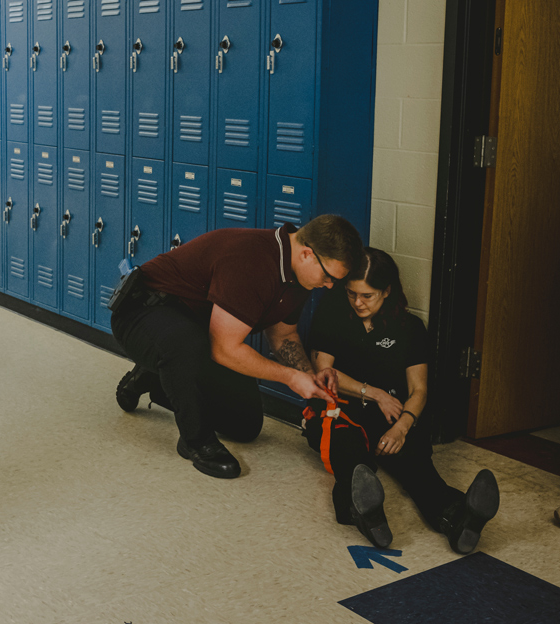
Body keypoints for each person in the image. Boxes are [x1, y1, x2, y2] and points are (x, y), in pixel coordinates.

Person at [112, 215, 364, 479]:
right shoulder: (253, 260)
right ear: (307, 254)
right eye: (328, 276)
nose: (329, 285)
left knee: (245, 424)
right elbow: (223, 349)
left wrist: (308, 375)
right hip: (143, 313)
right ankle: (196, 441)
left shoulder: (299, 276)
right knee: (186, 346)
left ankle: (153, 377)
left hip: (197, 331)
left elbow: (284, 335)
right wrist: (290, 377)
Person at [304, 247, 498, 552]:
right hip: (342, 410)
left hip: (392, 416)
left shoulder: (410, 328)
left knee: (416, 467)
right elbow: (324, 371)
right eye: (352, 293)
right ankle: (368, 514)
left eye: (367, 295)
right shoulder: (333, 314)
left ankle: (459, 519)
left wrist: (403, 427)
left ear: (387, 291)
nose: (357, 302)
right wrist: (375, 393)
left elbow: (418, 389)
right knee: (352, 463)